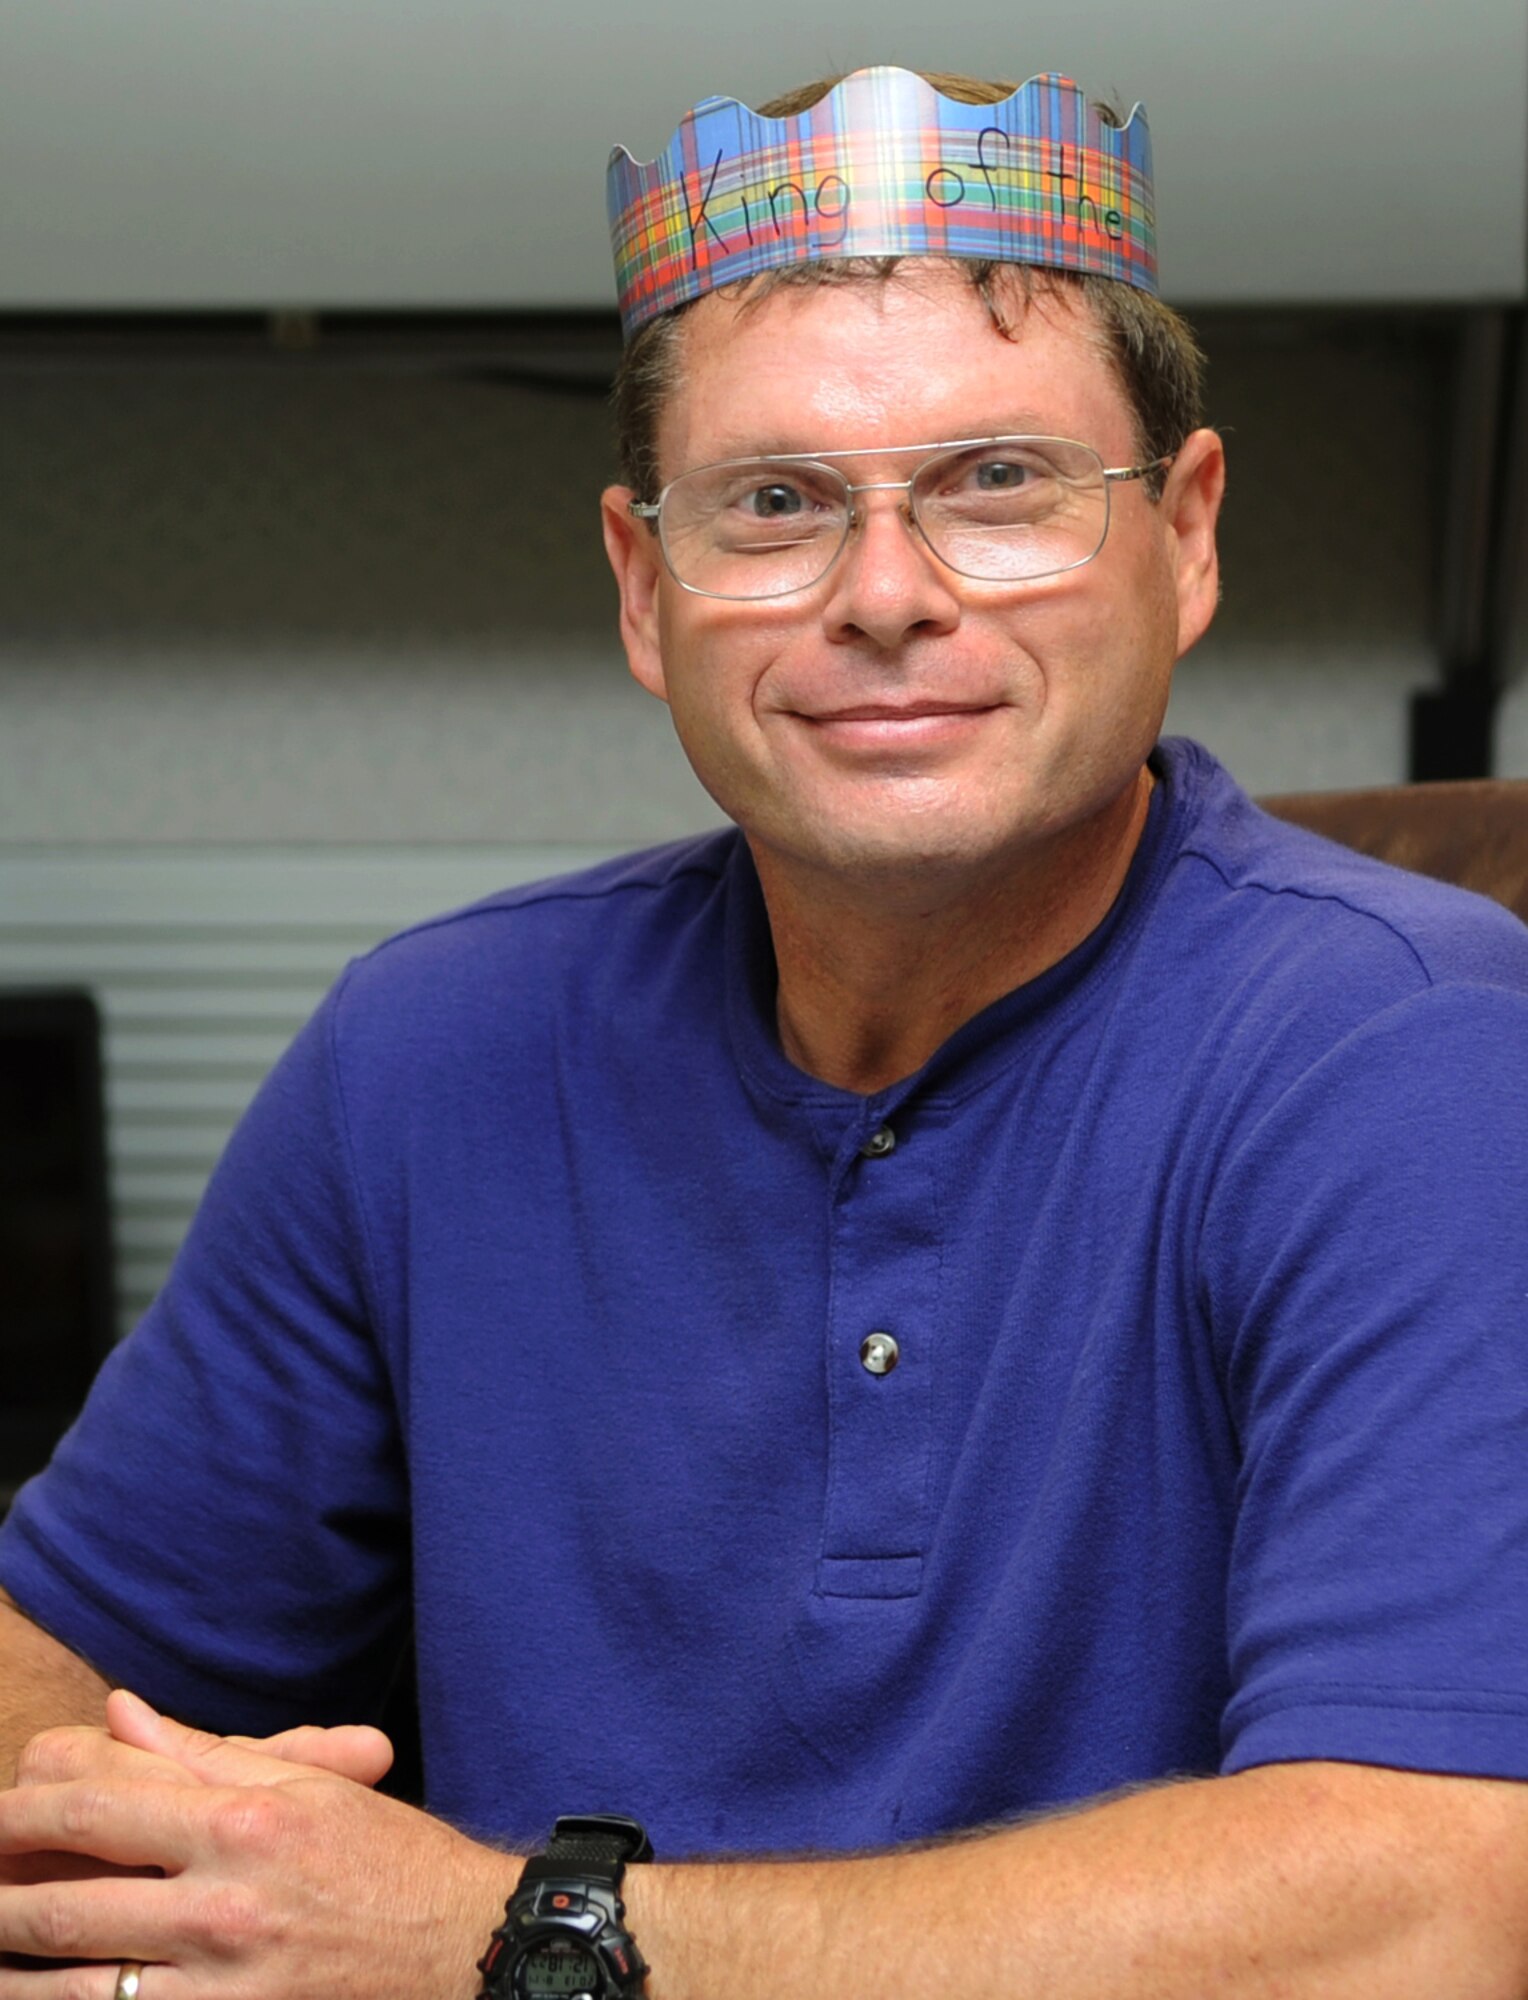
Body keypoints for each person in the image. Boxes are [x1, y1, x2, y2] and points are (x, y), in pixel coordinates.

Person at [3, 62, 1528, 2000]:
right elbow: (53, 1652)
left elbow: (1422, 1910)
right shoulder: (428, 1045)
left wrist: (502, 1936)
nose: (883, 594)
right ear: (646, 585)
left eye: (997, 484)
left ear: (1188, 535)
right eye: (775, 503)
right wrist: (162, 1863)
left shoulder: (1403, 1051)